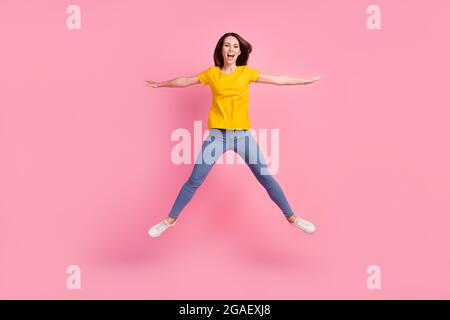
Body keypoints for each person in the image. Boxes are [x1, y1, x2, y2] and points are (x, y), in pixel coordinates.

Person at [145, 32, 321, 237]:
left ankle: (293, 218)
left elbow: (278, 80)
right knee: (195, 179)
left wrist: (305, 81)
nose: (231, 49)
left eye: (235, 46)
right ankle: (169, 221)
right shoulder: (212, 73)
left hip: (242, 137)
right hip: (217, 137)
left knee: (266, 177)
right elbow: (185, 81)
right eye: (227, 45)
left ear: (239, 51)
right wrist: (160, 84)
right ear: (221, 49)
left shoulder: (246, 73)